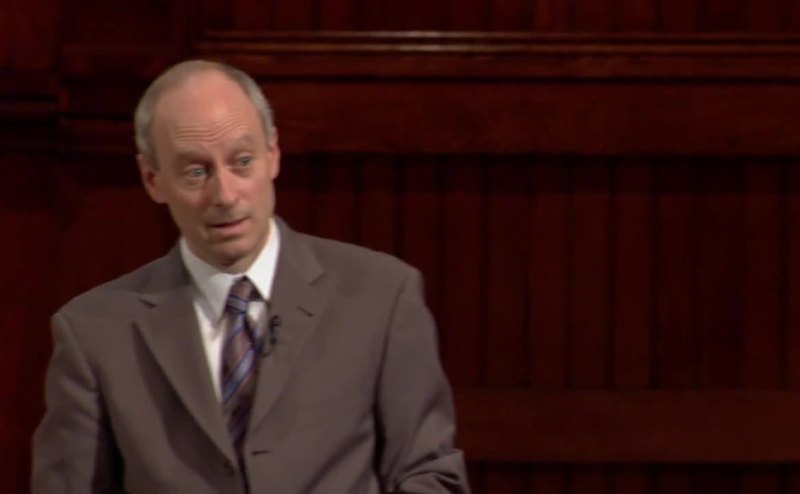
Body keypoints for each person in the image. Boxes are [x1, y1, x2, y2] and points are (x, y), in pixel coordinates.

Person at [31, 60, 469, 493]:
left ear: (272, 155)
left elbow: (430, 474)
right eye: (196, 172)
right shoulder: (95, 333)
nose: (225, 194)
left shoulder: (381, 296)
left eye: (242, 162)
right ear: (153, 179)